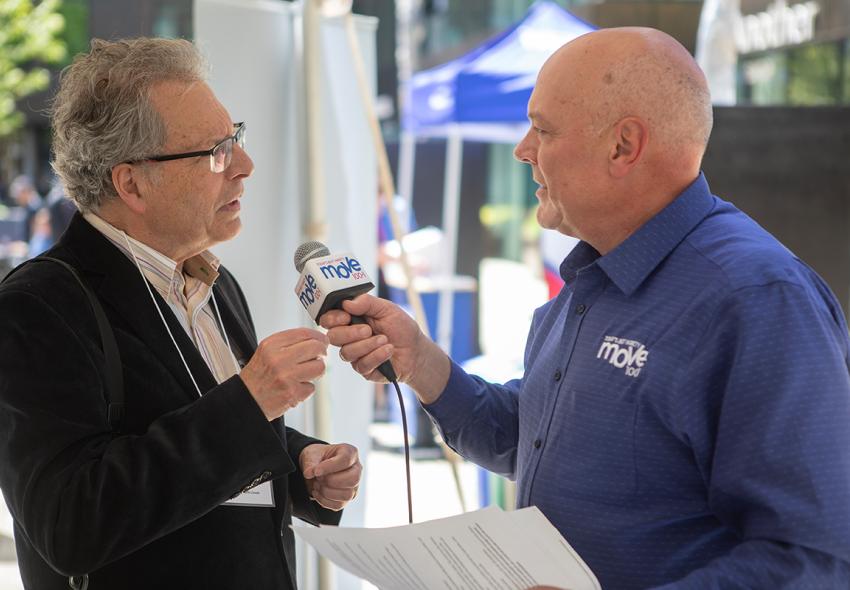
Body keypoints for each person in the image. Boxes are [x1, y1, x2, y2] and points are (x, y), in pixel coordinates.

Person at [322, 27, 850, 589]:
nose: (523, 150)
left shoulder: (756, 296)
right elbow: (531, 436)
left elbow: (812, 560)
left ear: (624, 145)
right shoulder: (595, 271)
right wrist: (420, 362)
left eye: (542, 130)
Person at [0, 38, 361, 590]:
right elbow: (68, 523)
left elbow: (191, 425)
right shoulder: (40, 306)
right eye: (216, 151)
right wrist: (252, 399)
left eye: (234, 137)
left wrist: (302, 466)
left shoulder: (213, 281)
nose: (244, 165)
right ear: (132, 183)